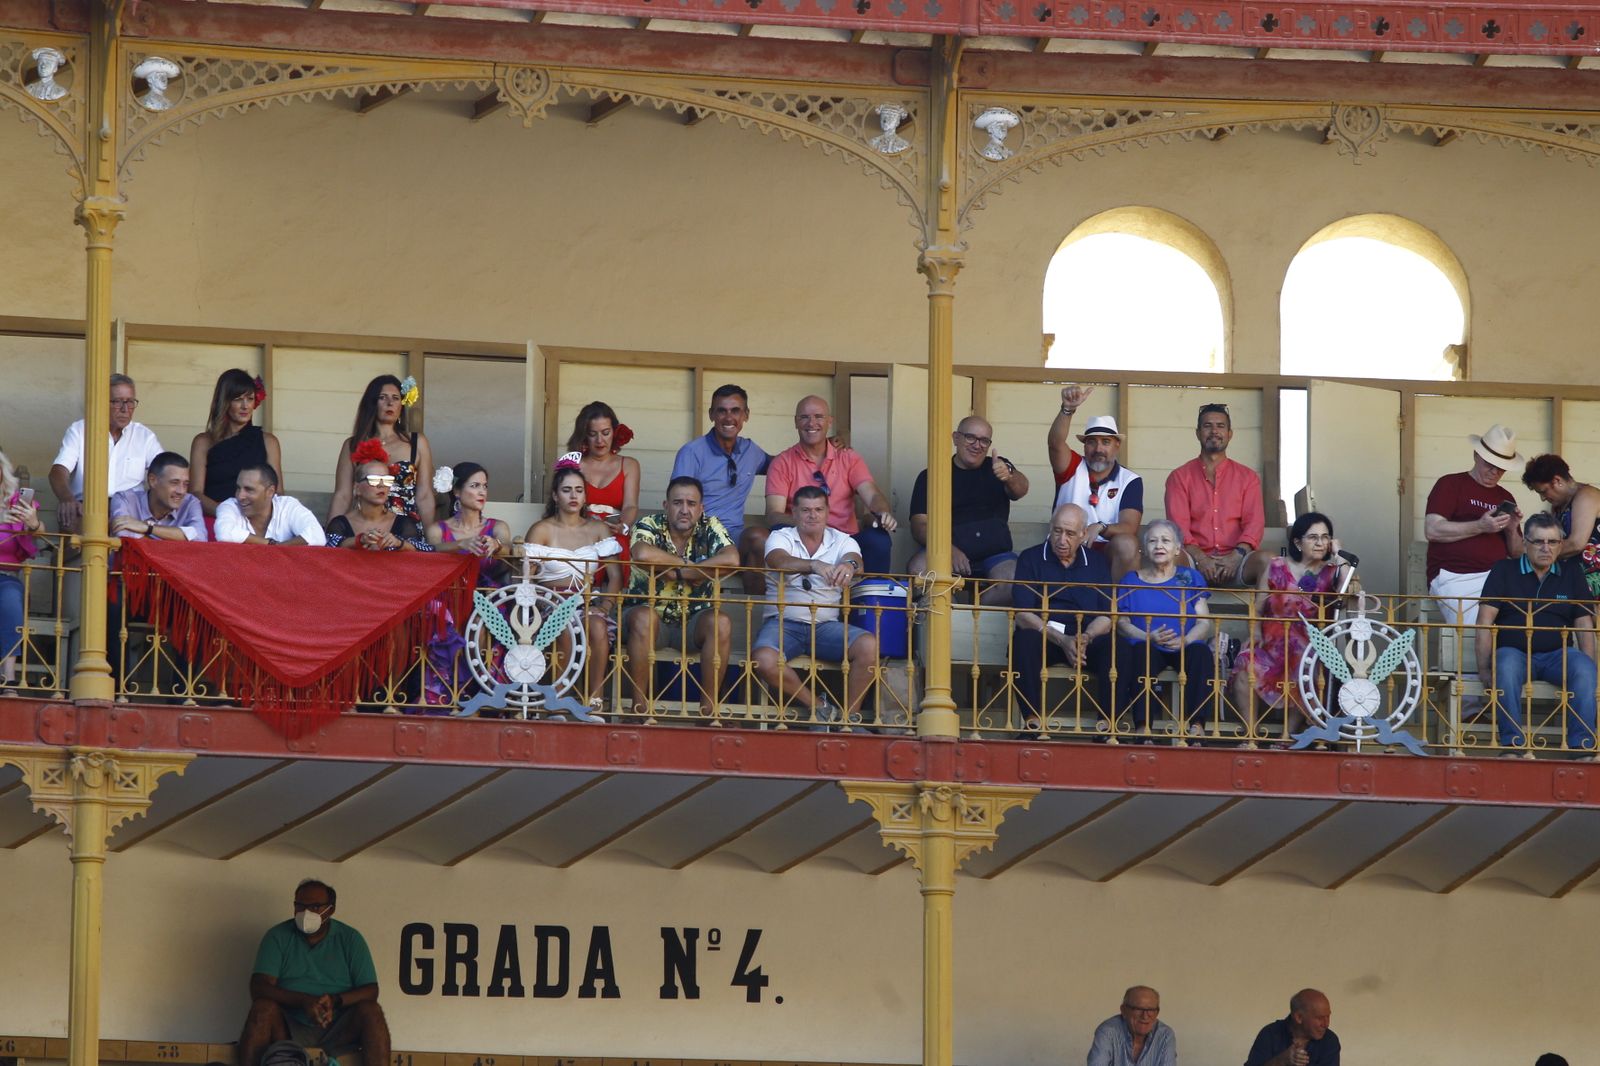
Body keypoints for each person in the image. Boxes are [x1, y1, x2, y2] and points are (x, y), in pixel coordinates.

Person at [754, 484, 878, 726]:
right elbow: (778, 560)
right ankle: (821, 708)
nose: (813, 515)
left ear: (827, 512)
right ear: (795, 513)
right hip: (783, 624)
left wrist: (848, 566)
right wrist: (814, 565)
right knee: (763, 660)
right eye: (806, 510)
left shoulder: (841, 539)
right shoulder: (781, 536)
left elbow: (856, 560)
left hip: (825, 626)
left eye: (818, 509)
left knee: (868, 646)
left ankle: (848, 721)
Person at [1229, 512, 1356, 742]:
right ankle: (1251, 735)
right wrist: (1255, 634)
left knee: (1305, 664)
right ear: (1298, 542)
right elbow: (1257, 608)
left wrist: (1339, 555)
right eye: (1313, 537)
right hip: (1271, 646)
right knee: (1245, 662)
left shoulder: (1331, 572)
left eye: (1326, 537)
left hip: (1310, 648)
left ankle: (1287, 736)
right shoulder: (1276, 566)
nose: (1320, 543)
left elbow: (1346, 592)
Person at [1477, 512, 1597, 754]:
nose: (1546, 548)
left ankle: (1582, 746)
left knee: (1583, 667)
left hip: (1557, 655)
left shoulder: (1571, 572)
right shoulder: (1504, 569)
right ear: (1525, 543)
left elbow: (1584, 625)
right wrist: (1484, 668)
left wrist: (1590, 666)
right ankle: (1513, 745)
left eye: (1553, 542)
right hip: (1514, 653)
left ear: (1561, 545)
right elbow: (1485, 621)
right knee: (1506, 666)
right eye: (1538, 541)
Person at [238, 879, 389, 1066]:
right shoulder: (277, 936)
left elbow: (371, 991)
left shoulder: (351, 939)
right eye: (299, 905)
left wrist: (335, 1001)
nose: (305, 912)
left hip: (338, 1028)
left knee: (371, 1011)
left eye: (315, 906)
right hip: (288, 1027)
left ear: (330, 910)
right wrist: (303, 1001)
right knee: (262, 1008)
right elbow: (259, 988)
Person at [624, 476, 739, 718]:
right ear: (666, 506)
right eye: (677, 503)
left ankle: (709, 711)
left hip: (693, 622)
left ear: (701, 508)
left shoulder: (711, 526)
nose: (684, 510)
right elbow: (642, 553)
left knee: (721, 621)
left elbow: (732, 559)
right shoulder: (649, 523)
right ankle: (638, 709)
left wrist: (677, 572)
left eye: (691, 503)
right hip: (649, 620)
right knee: (644, 618)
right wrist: (689, 567)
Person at [525, 456, 625, 711]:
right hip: (549, 603)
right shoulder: (541, 529)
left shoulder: (598, 529)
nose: (573, 496)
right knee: (565, 625)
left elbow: (615, 575)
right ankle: (557, 701)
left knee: (598, 627)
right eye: (566, 490)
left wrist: (604, 606)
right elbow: (527, 576)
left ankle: (594, 701)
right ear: (555, 496)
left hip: (586, 602)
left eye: (579, 490)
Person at [1010, 503, 1115, 732]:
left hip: (1086, 639)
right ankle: (1033, 722)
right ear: (1051, 527)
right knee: (1023, 641)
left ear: (1083, 534)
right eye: (1057, 531)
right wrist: (1061, 639)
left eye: (1069, 533)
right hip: (1045, 635)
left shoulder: (1096, 562)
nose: (1061, 539)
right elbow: (1022, 614)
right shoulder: (1030, 558)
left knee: (1119, 648)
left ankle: (1107, 725)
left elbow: (1107, 615)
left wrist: (1086, 637)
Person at [765, 395, 897, 575]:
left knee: (879, 539)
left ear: (829, 421)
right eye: (804, 417)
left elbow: (872, 495)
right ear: (796, 422)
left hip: (845, 541)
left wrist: (883, 512)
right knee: (778, 531)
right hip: (801, 541)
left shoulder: (848, 458)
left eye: (819, 417)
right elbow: (774, 515)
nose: (811, 423)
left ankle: (871, 599)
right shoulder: (782, 462)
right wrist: (811, 524)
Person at [908, 414, 1029, 605]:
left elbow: (1021, 490)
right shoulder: (932, 475)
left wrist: (1009, 476)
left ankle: (972, 620)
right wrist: (947, 549)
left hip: (995, 553)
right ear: (956, 438)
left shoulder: (998, 466)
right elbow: (919, 525)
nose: (977, 445)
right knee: (919, 569)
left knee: (1014, 579)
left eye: (984, 440)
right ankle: (949, 616)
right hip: (947, 550)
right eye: (970, 437)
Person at [422, 462, 512, 707]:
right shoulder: (438, 530)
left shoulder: (497, 527)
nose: (482, 491)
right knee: (439, 610)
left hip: (487, 598)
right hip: (449, 597)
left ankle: (484, 694)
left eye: (484, 486)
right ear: (457, 492)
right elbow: (430, 554)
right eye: (474, 486)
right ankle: (444, 695)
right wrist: (460, 545)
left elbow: (512, 551)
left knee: (484, 608)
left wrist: (498, 546)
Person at [1116, 520, 1214, 733]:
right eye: (1152, 541)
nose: (1159, 546)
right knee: (1142, 652)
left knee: (1201, 652)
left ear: (1177, 548)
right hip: (1147, 644)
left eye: (1165, 541)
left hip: (1183, 645)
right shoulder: (1131, 581)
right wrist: (1147, 636)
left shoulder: (1190, 578)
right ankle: (1143, 726)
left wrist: (1185, 640)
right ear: (1143, 549)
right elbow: (1121, 624)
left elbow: (1203, 621)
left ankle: (1197, 725)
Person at [670, 384, 771, 593]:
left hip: (733, 537)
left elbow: (784, 464)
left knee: (760, 538)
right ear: (711, 414)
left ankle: (756, 611)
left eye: (735, 411)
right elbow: (679, 501)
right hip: (698, 535)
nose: (728, 417)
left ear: (746, 415)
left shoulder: (751, 451)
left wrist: (826, 445)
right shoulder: (692, 452)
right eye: (721, 411)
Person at [1425, 423, 1524, 625]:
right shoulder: (1451, 484)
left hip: (1499, 579)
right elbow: (1432, 530)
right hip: (1455, 576)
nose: (1495, 471)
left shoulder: (1505, 496)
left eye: (1502, 468)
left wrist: (1512, 530)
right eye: (1490, 464)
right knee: (1476, 630)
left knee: (1523, 627)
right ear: (1476, 455)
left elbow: (1518, 554)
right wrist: (1481, 526)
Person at [1164, 401, 1269, 587]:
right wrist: (1201, 559)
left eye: (1220, 426)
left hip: (1238, 560)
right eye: (1207, 426)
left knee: (1269, 561)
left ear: (1230, 434)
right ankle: (1174, 616)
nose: (1214, 431)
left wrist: (1236, 556)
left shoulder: (1247, 477)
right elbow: (1178, 527)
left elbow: (1254, 524)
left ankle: (1261, 616)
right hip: (1193, 560)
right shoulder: (1179, 476)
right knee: (1168, 557)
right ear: (1197, 433)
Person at [49, 373, 164, 533]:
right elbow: (58, 471)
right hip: (86, 508)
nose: (125, 409)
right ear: (102, 402)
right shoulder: (80, 430)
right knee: (71, 517)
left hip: (130, 511)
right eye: (117, 402)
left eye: (130, 402)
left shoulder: (145, 436)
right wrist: (67, 498)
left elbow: (164, 473)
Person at [1048, 386, 1142, 580]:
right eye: (1092, 442)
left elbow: (1129, 526)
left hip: (1105, 550)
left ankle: (1118, 608)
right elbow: (1056, 443)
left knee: (1127, 543)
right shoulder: (1073, 466)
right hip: (1066, 546)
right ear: (1084, 445)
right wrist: (1067, 409)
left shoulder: (1130, 480)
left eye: (1105, 442)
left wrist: (1100, 527)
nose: (1098, 448)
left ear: (1117, 445)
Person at [328, 375, 435, 527]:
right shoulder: (353, 444)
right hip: (364, 526)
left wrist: (430, 540)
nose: (390, 403)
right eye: (382, 397)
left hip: (406, 529)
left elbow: (424, 496)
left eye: (396, 398)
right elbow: (343, 495)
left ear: (402, 405)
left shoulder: (417, 442)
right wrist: (330, 536)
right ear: (372, 403)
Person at [189, 368, 283, 521]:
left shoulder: (269, 442)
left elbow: (277, 492)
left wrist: (254, 517)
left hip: (256, 522)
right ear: (224, 402)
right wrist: (226, 513)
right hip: (215, 518)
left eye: (250, 398)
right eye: (238, 399)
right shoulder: (203, 442)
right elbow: (195, 493)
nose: (245, 406)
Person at [326, 441, 432, 552]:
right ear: (357, 488)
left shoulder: (404, 523)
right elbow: (328, 550)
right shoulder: (339, 524)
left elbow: (422, 551)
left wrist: (399, 544)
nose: (381, 485)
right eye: (374, 480)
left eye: (387, 480)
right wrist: (359, 540)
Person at [1521, 453, 1600, 596]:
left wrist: (1533, 555)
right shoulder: (1559, 506)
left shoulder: (1586, 496)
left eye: (1544, 491)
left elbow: (1576, 543)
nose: (1543, 498)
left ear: (1557, 480)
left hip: (1594, 579)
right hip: (1574, 578)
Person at [0, 450, 45, 688]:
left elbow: (39, 533)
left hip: (6, 577)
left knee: (11, 605)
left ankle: (8, 678)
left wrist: (33, 523)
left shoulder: (16, 502)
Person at [215, 465, 327, 546]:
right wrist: (270, 544)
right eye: (238, 488)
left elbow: (317, 535)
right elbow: (225, 533)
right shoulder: (229, 506)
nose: (240, 496)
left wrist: (279, 548)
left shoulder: (288, 506)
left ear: (270, 492)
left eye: (249, 490)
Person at [109, 453, 207, 542]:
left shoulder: (190, 502)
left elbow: (199, 538)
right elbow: (126, 539)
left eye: (186, 484)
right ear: (153, 481)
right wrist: (179, 539)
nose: (181, 491)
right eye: (174, 483)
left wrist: (148, 528)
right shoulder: (124, 500)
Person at [1243, 989, 1339, 1066]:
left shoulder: (1329, 1040)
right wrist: (1280, 1061)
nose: (1326, 1024)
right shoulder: (1270, 1034)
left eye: (1328, 1016)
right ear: (1299, 1017)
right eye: (1320, 1018)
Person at [1086, 985, 1176, 1066]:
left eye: (1151, 1010)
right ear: (1124, 1010)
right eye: (1138, 1009)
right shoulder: (1107, 1032)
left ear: (1157, 1013)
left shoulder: (1165, 1035)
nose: (1145, 1016)